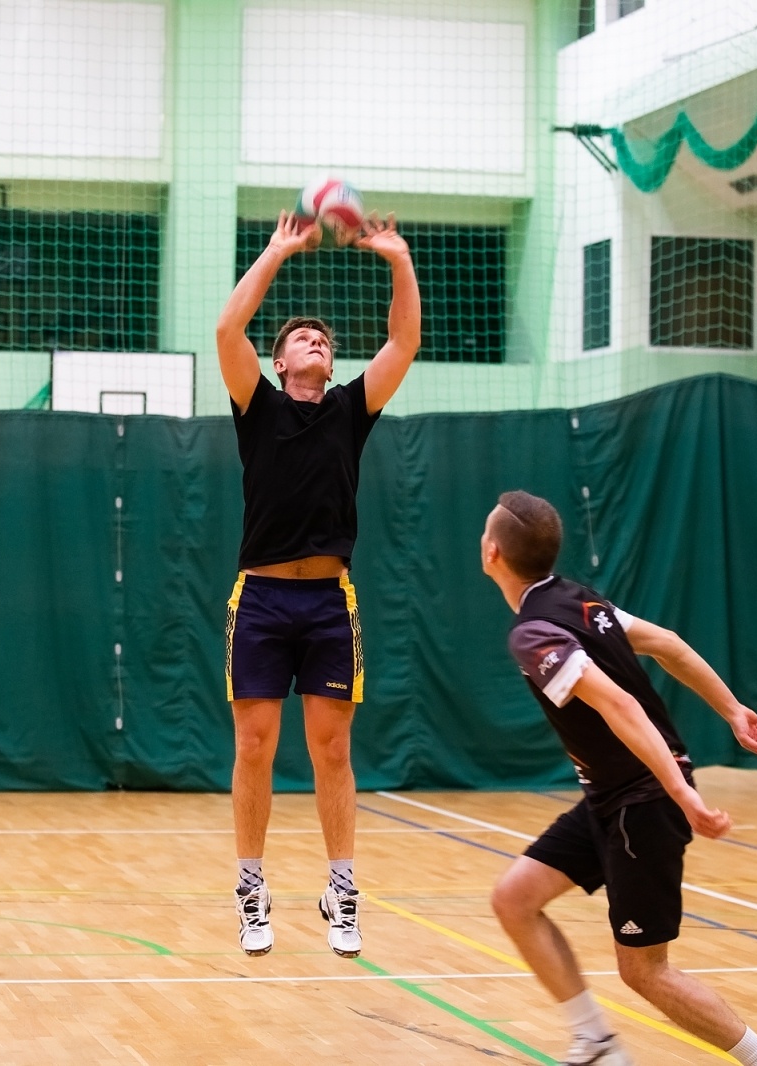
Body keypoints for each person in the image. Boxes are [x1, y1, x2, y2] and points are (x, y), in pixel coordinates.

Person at [481, 491, 757, 1066]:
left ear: (492, 552)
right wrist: (732, 711)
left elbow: (621, 705)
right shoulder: (579, 601)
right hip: (613, 796)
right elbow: (669, 645)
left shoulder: (534, 633)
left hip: (644, 798)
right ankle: (596, 1042)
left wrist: (682, 794)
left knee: (645, 971)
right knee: (514, 899)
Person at [215, 210, 421, 958]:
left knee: (332, 751)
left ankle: (341, 887)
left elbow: (403, 342)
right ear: (279, 364)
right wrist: (276, 250)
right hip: (263, 599)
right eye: (303, 338)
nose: (318, 341)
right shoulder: (258, 407)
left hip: (330, 600)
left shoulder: (349, 411)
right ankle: (250, 886)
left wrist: (397, 259)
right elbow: (226, 333)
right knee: (255, 745)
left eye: (325, 341)